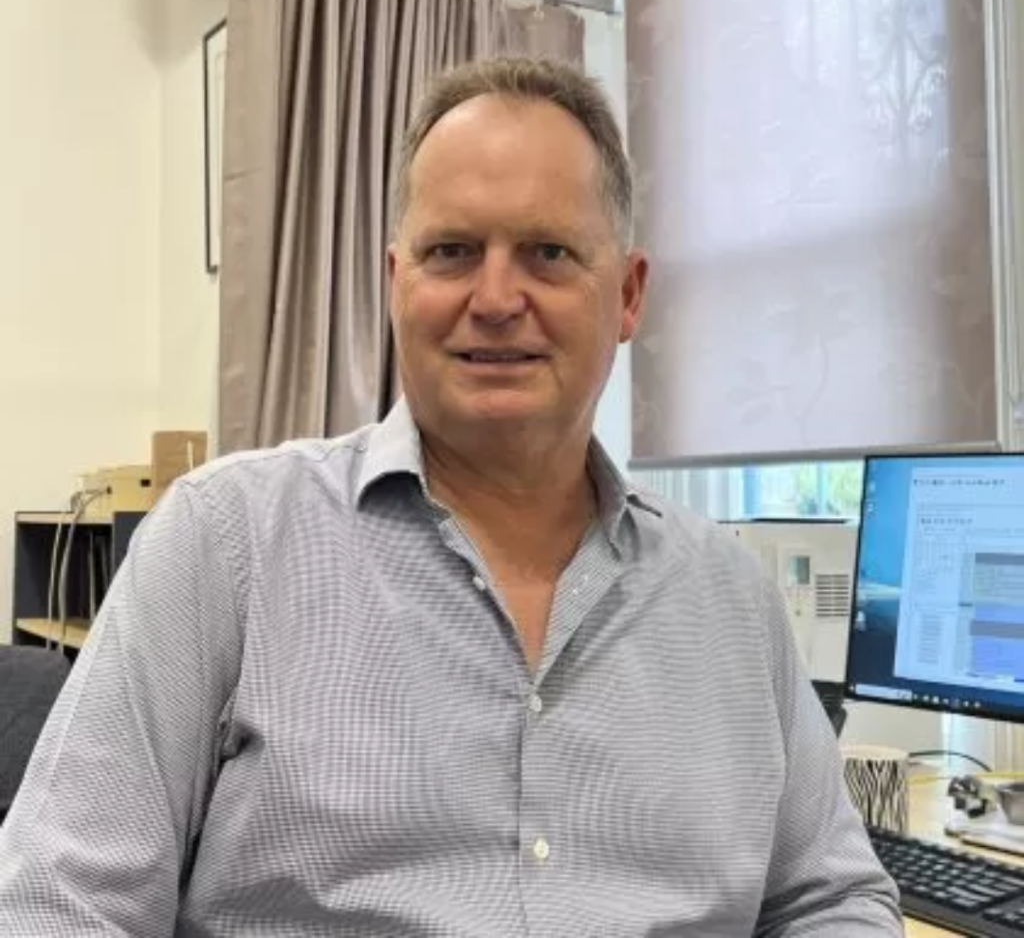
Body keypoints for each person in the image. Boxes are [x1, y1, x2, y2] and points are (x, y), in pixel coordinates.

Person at [0, 55, 901, 936]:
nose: (497, 297)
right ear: (397, 282)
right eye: (452, 252)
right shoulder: (222, 545)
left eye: (548, 253)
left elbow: (832, 899)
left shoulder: (730, 601)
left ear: (627, 296)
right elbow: (58, 903)